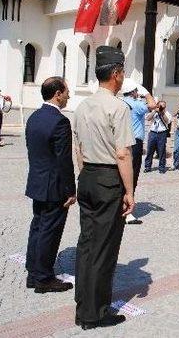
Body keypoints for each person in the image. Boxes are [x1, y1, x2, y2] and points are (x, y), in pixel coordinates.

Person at [73, 45, 135, 329]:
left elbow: (78, 147)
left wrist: (84, 174)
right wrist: (130, 192)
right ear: (115, 74)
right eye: (122, 72)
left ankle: (82, 303)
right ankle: (95, 312)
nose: (123, 78)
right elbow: (123, 154)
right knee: (104, 248)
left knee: (87, 243)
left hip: (87, 176)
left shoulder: (82, 105)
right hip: (108, 179)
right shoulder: (118, 107)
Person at [24, 77, 76, 294]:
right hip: (54, 186)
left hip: (37, 182)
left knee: (37, 227)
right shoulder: (60, 121)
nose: (68, 96)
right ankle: (44, 277)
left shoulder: (34, 117)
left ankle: (33, 272)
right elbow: (64, 159)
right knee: (49, 231)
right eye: (66, 92)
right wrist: (71, 190)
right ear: (57, 93)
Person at [121, 77, 156, 225]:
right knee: (131, 178)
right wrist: (146, 93)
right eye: (136, 91)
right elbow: (153, 104)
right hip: (135, 143)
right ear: (134, 92)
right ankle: (127, 212)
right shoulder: (136, 104)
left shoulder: (121, 102)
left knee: (122, 177)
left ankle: (120, 209)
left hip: (123, 142)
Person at [144, 100, 172, 174]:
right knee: (150, 150)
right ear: (157, 105)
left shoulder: (167, 113)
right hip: (153, 133)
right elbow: (148, 118)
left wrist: (162, 113)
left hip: (162, 133)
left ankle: (162, 168)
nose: (162, 107)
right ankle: (147, 167)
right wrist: (154, 111)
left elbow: (167, 121)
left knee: (161, 151)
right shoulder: (154, 111)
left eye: (163, 106)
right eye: (160, 106)